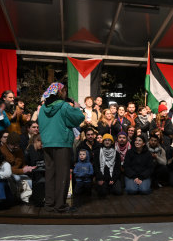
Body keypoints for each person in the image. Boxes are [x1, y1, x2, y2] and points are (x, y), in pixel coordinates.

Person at [38, 82, 85, 213]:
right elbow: (78, 119)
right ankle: (60, 205)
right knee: (62, 175)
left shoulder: (43, 108)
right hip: (62, 143)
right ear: (60, 92)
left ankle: (49, 204)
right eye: (64, 91)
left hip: (47, 144)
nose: (65, 93)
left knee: (50, 174)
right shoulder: (64, 106)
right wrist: (76, 108)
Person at [94, 133, 123, 197]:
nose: (107, 142)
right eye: (105, 140)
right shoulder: (98, 152)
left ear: (112, 142)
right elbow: (96, 166)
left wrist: (113, 179)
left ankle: (110, 187)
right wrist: (99, 178)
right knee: (102, 193)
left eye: (109, 140)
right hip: (102, 176)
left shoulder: (116, 153)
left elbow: (118, 168)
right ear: (103, 141)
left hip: (112, 176)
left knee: (118, 191)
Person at [24, 134, 45, 207]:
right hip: (32, 173)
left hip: (41, 172)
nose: (42, 145)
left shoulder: (42, 151)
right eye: (40, 143)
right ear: (35, 141)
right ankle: (38, 201)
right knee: (39, 180)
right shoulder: (29, 151)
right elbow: (27, 164)